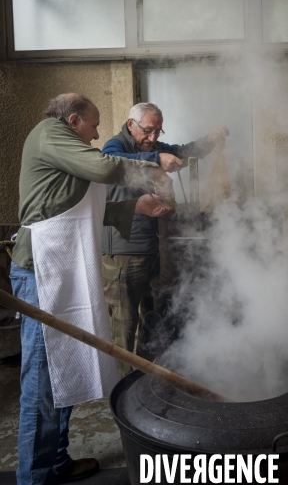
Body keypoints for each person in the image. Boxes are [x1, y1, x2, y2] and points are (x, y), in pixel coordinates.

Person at [10, 93, 173, 485]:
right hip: (40, 273)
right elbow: (101, 167)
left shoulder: (64, 148)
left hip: (62, 269)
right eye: (94, 124)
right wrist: (152, 164)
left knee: (63, 365)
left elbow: (82, 207)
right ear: (72, 120)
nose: (98, 133)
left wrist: (137, 207)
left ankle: (55, 460)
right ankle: (33, 476)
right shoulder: (49, 133)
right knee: (43, 377)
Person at [102, 102, 228, 376]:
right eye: (148, 131)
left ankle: (147, 381)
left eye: (158, 131)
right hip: (124, 254)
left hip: (151, 250)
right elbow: (112, 166)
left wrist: (208, 140)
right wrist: (156, 161)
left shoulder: (150, 146)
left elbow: (181, 152)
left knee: (151, 320)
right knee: (123, 329)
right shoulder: (115, 148)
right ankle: (124, 388)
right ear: (130, 124)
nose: (153, 138)